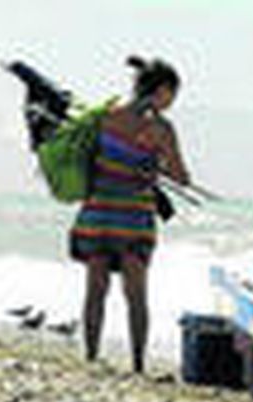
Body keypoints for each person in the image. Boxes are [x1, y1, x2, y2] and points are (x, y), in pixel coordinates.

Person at [70, 56, 191, 374]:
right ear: (163, 90)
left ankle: (91, 356)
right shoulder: (161, 128)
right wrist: (159, 166)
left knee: (95, 289)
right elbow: (180, 176)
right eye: (172, 95)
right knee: (135, 294)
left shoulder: (107, 116)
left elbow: (91, 158)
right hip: (133, 218)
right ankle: (138, 364)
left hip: (97, 213)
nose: (172, 102)